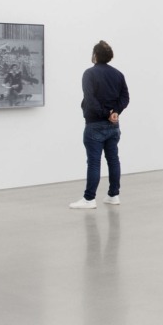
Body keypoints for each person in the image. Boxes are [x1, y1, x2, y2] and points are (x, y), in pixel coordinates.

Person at [69, 41, 130, 210]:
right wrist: (115, 113)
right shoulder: (118, 74)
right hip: (113, 126)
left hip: (95, 124)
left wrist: (105, 114)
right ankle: (113, 195)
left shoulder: (89, 73)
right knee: (113, 160)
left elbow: (90, 99)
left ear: (95, 55)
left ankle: (89, 199)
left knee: (94, 163)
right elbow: (125, 98)